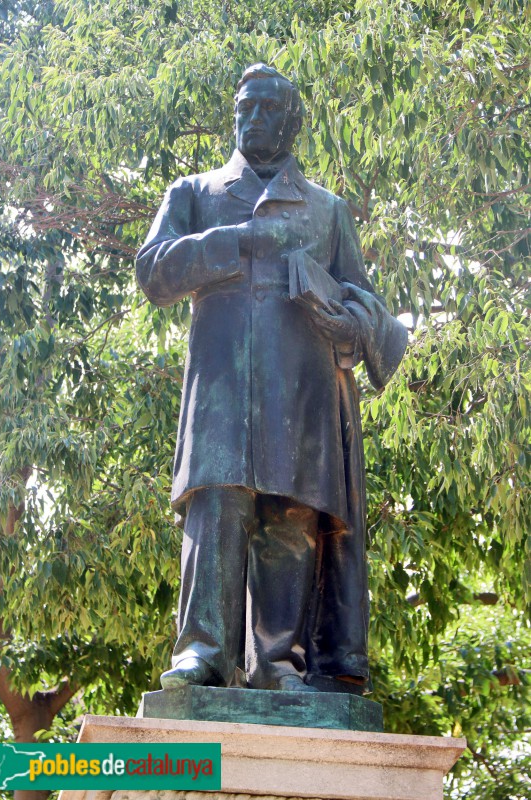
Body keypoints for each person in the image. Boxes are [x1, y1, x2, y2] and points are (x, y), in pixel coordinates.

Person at [136, 64, 407, 693]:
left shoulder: (327, 210)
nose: (253, 118)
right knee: (219, 508)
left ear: (291, 122)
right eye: (245, 107)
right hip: (222, 393)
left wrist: (348, 318)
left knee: (291, 520)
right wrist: (239, 241)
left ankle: (279, 666)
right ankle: (203, 653)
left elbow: (369, 303)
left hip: (302, 392)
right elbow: (154, 274)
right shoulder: (195, 193)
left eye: (267, 109)